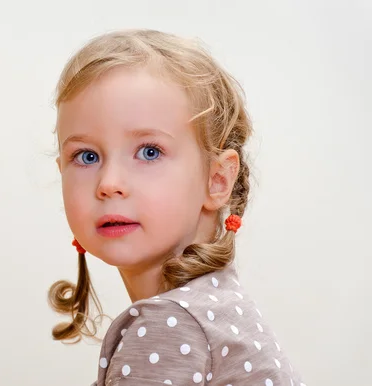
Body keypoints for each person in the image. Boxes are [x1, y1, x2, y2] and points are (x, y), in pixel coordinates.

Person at [47, 29, 306, 386]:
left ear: (216, 180)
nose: (109, 183)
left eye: (149, 152)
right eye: (86, 156)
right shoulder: (215, 308)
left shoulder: (170, 326)